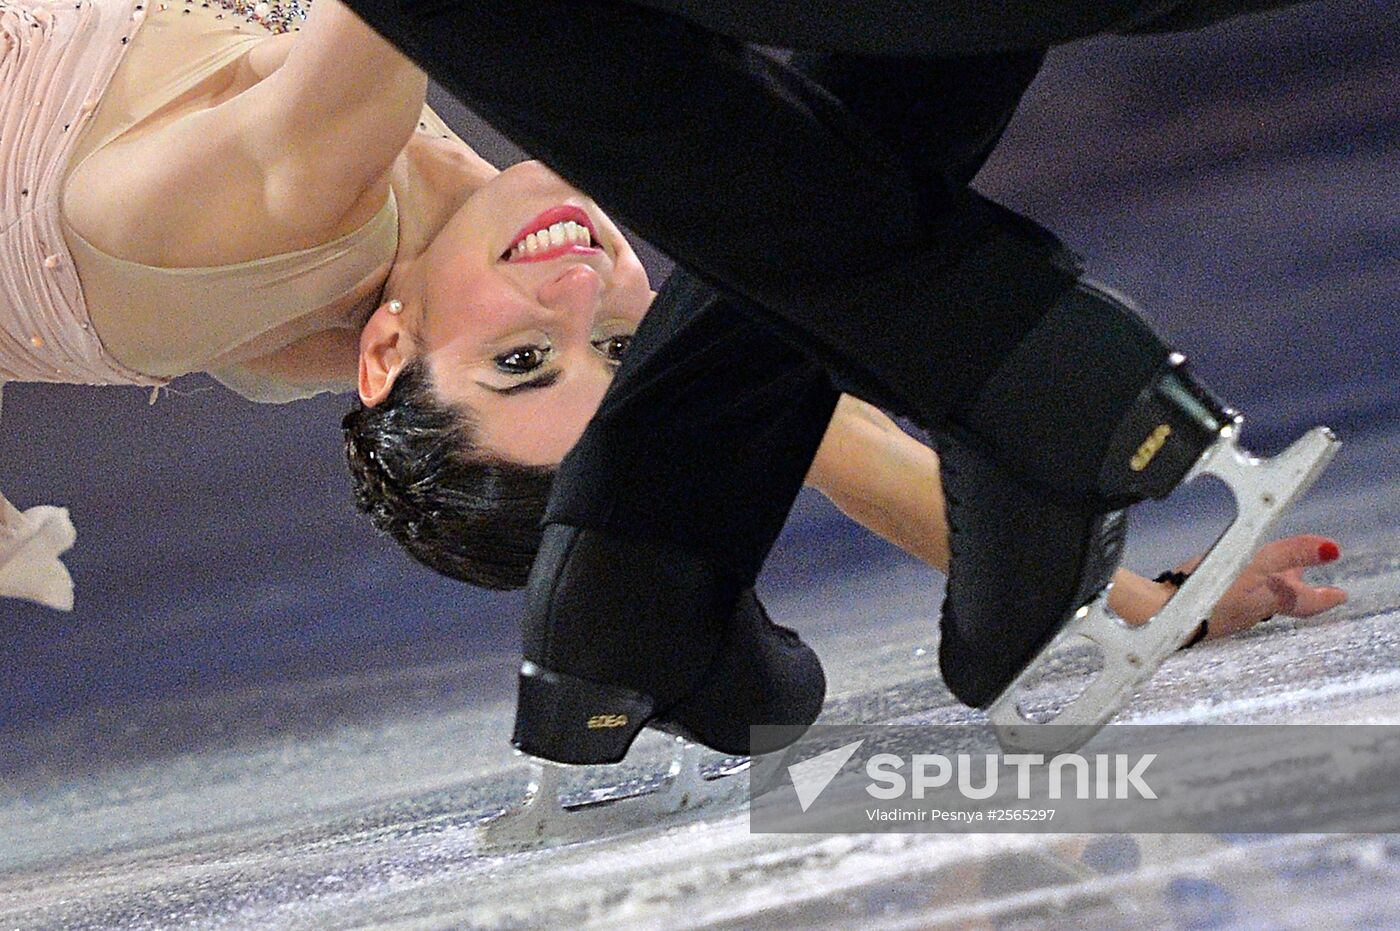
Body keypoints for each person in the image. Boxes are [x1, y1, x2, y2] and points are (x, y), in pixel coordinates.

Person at [330, 0, 1354, 761]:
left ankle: (628, 577)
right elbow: (838, 437)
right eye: (620, 351)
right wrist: (1151, 605)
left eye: (522, 361)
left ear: (383, 350)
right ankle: (630, 569)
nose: (576, 293)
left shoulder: (250, 203)